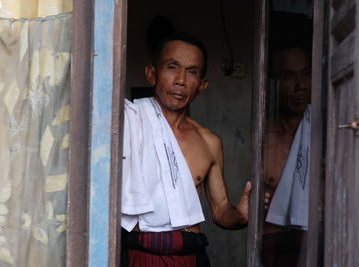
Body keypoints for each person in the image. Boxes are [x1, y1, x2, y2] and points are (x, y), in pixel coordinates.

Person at [121, 31, 251, 267]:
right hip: (138, 253)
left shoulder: (209, 142)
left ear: (202, 85)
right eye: (172, 67)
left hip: (190, 257)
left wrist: (241, 216)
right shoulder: (125, 124)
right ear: (152, 74)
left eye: (192, 71)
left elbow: (221, 211)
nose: (181, 79)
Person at [263, 44, 312, 267]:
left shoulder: (331, 137)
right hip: (273, 242)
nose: (301, 86)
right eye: (290, 76)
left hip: (316, 241)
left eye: (306, 73)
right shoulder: (262, 140)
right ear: (275, 84)